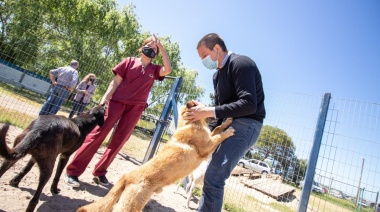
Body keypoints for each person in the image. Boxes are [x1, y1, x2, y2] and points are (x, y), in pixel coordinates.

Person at [64, 35, 172, 187]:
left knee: (120, 140)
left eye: (155, 48)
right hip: (116, 103)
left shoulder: (154, 70)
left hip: (136, 108)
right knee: (97, 134)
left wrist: (161, 47)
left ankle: (100, 172)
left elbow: (168, 69)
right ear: (142, 47)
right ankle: (73, 172)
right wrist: (105, 98)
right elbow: (115, 82)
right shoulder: (128, 61)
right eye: (150, 45)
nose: (152, 49)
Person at [184, 33, 266, 211]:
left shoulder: (241, 64)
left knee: (214, 176)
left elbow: (249, 104)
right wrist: (201, 127)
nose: (203, 61)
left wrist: (207, 111)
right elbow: (219, 110)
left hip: (247, 124)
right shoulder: (217, 76)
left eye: (205, 55)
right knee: (210, 176)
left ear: (217, 49)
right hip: (228, 124)